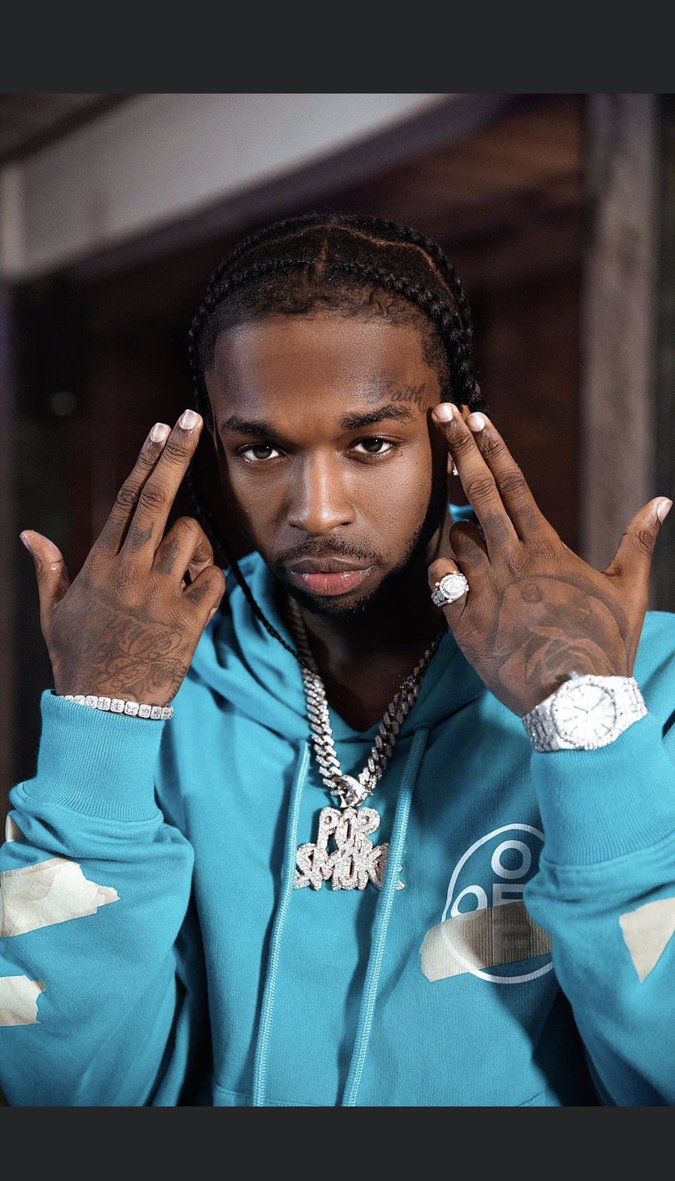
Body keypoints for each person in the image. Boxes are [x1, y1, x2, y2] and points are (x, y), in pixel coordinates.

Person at [1, 211, 674, 1108]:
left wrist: (582, 723)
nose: (316, 510)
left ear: (452, 438)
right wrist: (101, 724)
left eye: (370, 444)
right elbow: (64, 1092)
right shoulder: (152, 679)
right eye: (261, 448)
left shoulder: (639, 680)